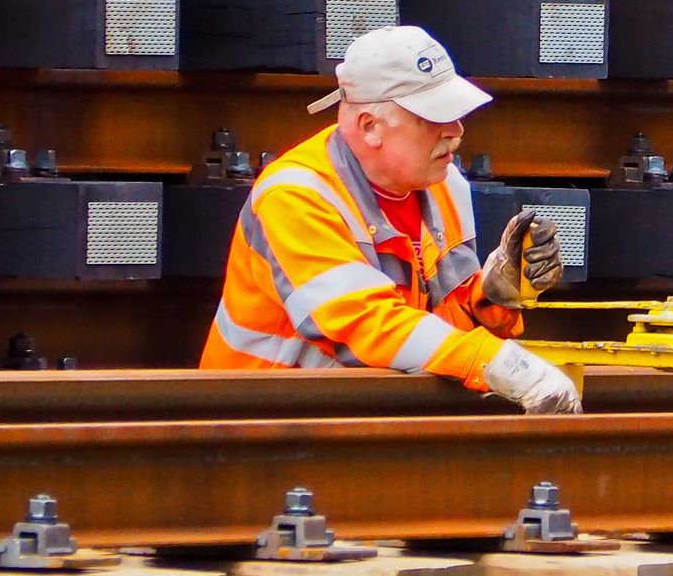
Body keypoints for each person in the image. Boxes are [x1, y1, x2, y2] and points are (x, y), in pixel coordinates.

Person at [201, 25, 582, 414]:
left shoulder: (443, 182)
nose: (456, 131)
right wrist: (506, 366)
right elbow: (366, 325)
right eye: (433, 117)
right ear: (370, 127)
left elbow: (434, 327)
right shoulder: (296, 196)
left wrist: (491, 297)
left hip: (353, 420)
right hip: (261, 427)